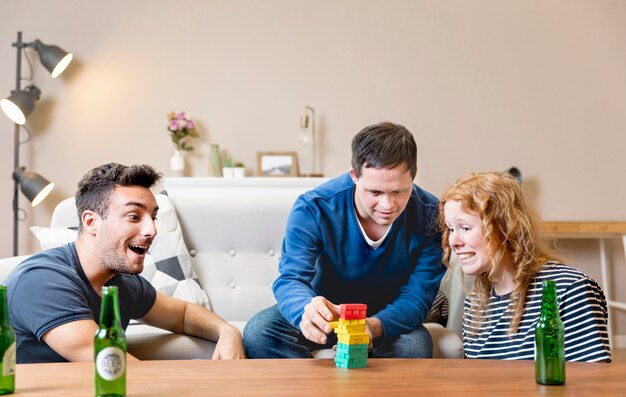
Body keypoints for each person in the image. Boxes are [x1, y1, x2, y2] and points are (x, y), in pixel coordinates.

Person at [5, 163, 246, 363]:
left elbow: (183, 314)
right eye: (134, 216)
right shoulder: (43, 281)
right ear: (91, 222)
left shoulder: (122, 284)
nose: (151, 229)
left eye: (152, 217)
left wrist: (228, 331)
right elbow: (116, 367)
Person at [243, 121, 446, 358]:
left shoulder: (431, 215)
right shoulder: (314, 207)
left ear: (414, 175)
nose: (387, 205)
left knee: (415, 348)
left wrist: (373, 326)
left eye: (398, 191)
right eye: (375, 193)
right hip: (325, 312)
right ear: (354, 176)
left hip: (385, 319)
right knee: (259, 331)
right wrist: (306, 311)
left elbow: (417, 297)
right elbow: (291, 279)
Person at [439, 171, 611, 362]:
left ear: (504, 226)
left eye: (465, 228)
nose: (453, 241)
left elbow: (593, 384)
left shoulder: (569, 291)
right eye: (451, 229)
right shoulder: (475, 303)